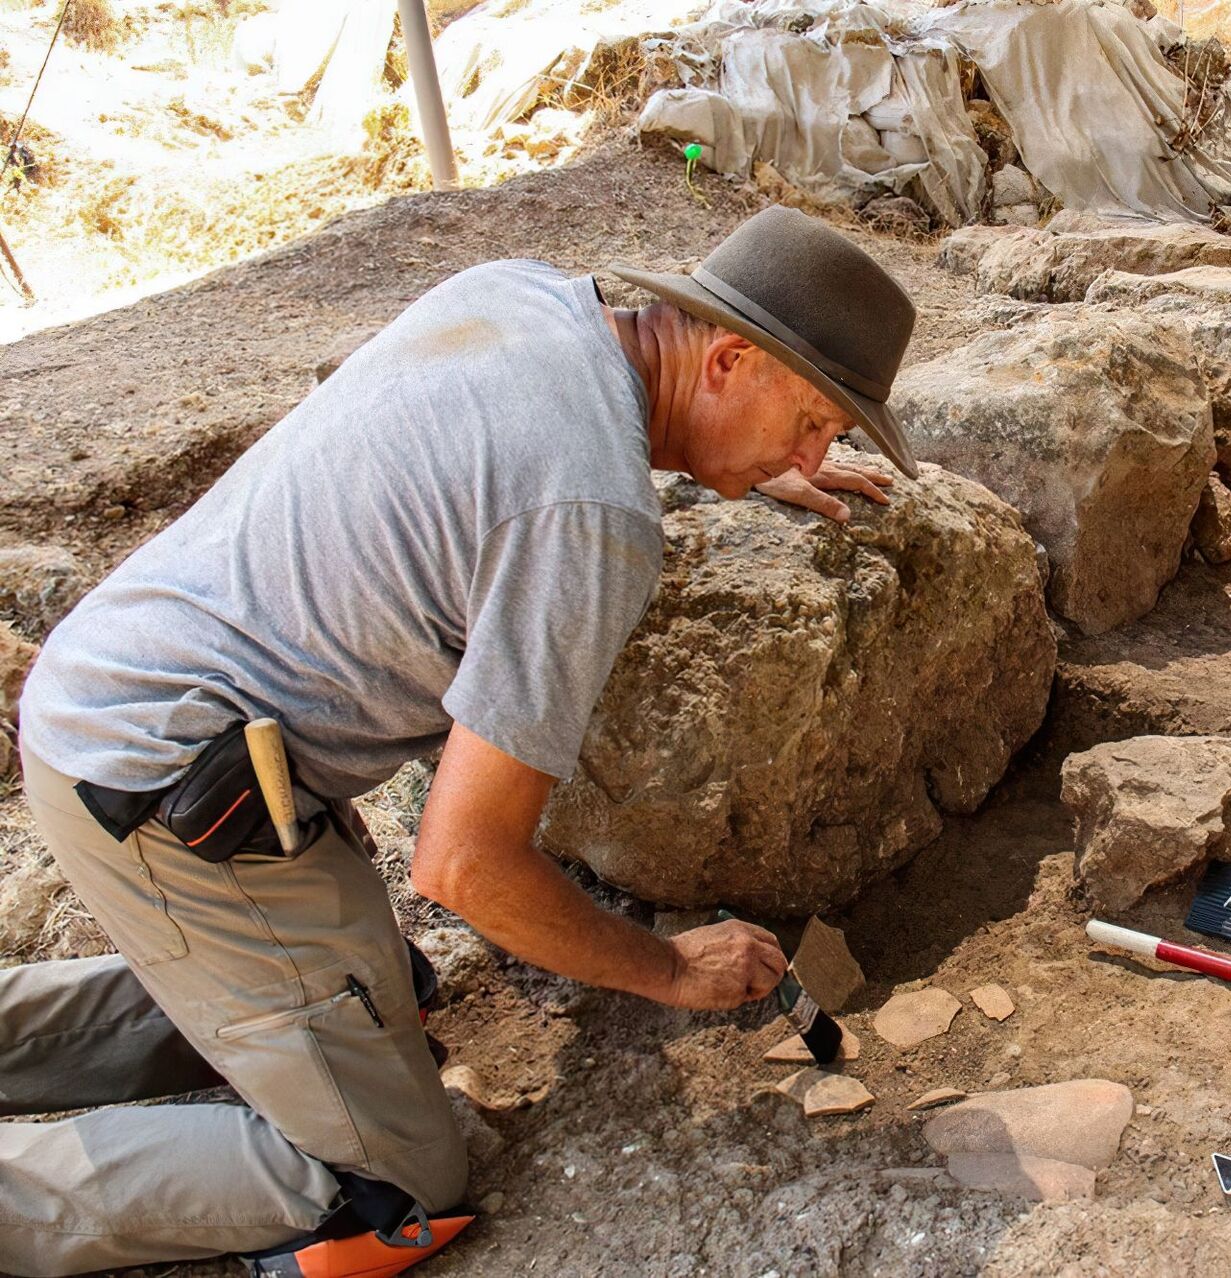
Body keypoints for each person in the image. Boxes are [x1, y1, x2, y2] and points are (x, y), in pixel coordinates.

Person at [0, 206, 919, 1277]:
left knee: (390, 989)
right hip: (171, 796)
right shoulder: (593, 523)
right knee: (388, 1192)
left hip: (106, 692)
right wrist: (666, 968)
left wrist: (736, 457)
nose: (812, 455)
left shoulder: (522, 294)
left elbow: (508, 451)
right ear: (725, 358)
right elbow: (464, 865)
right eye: (810, 423)